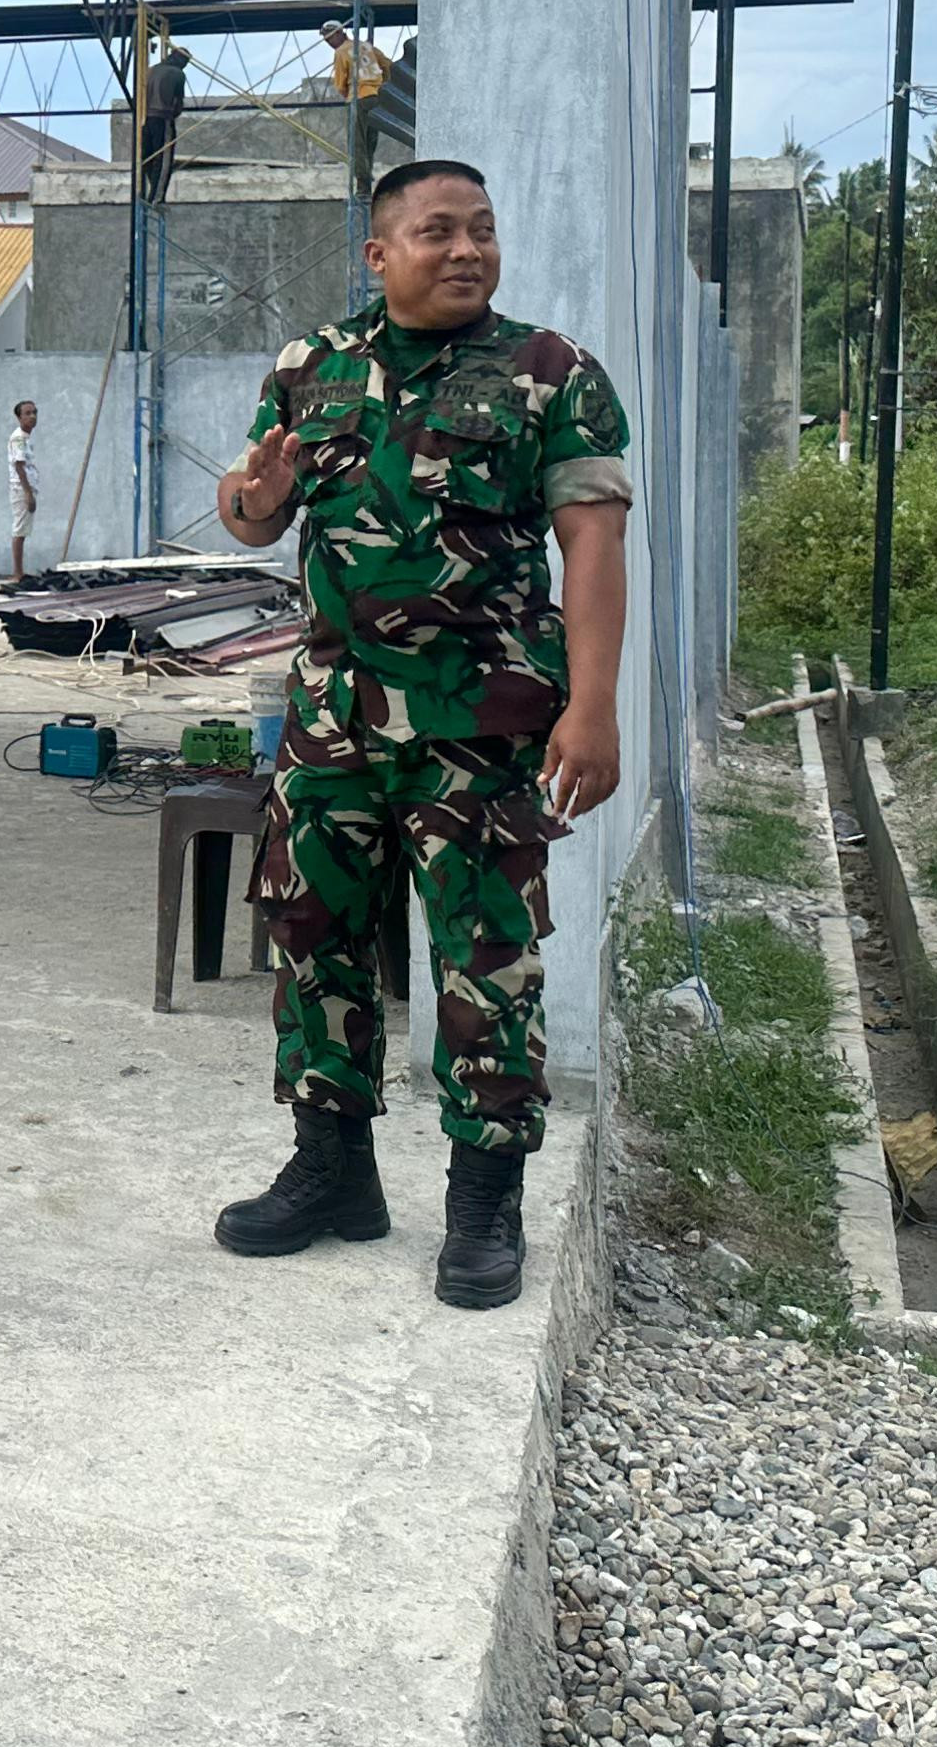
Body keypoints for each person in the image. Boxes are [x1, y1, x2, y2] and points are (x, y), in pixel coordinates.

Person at [203, 158, 631, 1311]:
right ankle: (332, 1171)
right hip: (334, 717)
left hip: (482, 723)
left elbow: (592, 546)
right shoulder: (310, 367)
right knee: (313, 933)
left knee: (485, 958)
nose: (467, 251)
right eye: (439, 231)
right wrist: (256, 494)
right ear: (379, 252)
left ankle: (483, 1202)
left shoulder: (551, 374)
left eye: (483, 231)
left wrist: (592, 707)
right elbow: (251, 520)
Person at [5, 397, 43, 580]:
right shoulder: (18, 438)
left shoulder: (26, 438)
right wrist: (28, 493)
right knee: (19, 530)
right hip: (21, 488)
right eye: (28, 413)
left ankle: (19, 571)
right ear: (19, 418)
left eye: (34, 412)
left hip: (26, 487)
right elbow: (19, 466)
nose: (32, 417)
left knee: (23, 529)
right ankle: (17, 573)